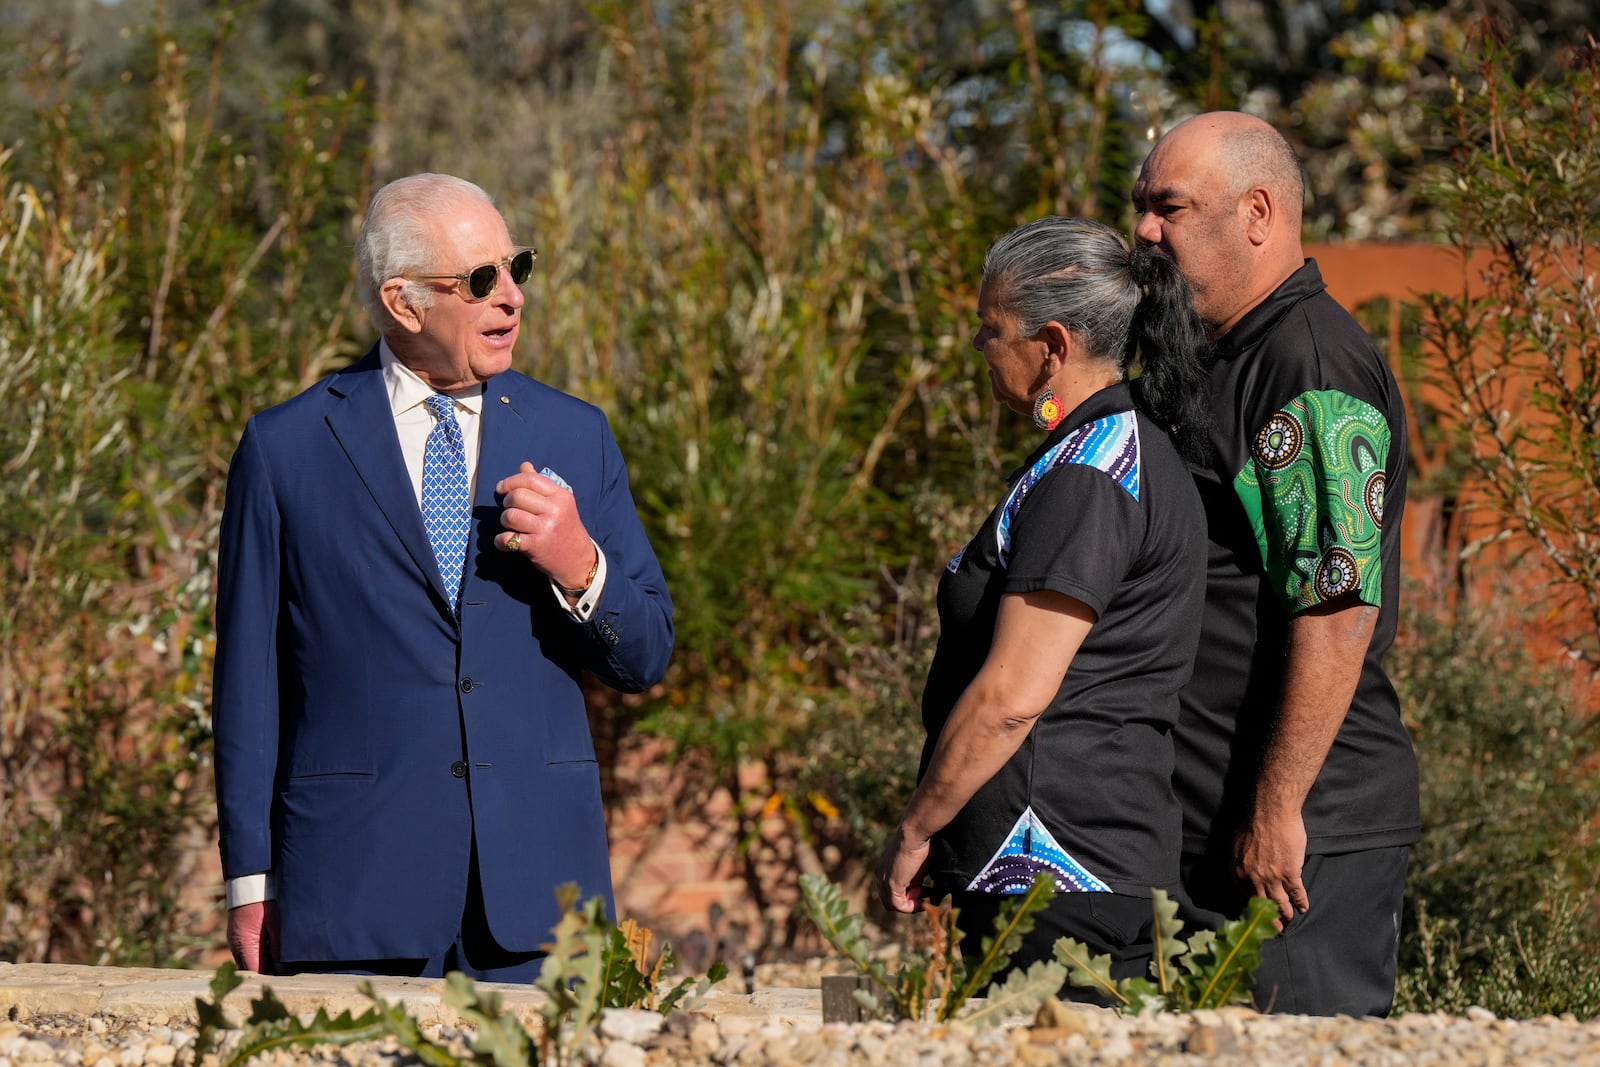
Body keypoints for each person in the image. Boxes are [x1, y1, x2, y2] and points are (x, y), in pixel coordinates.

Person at [211, 173, 674, 981]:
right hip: (353, 897)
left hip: (541, 911)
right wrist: (251, 881)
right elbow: (248, 683)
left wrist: (579, 566)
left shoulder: (578, 433)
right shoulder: (284, 449)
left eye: (516, 269)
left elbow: (647, 654)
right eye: (481, 280)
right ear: (403, 303)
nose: (512, 300)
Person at [874, 216, 1213, 1000]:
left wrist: (918, 825)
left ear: (1053, 344)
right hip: (1083, 869)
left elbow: (1010, 698)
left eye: (990, 330)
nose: (979, 348)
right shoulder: (1113, 451)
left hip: (1055, 878)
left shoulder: (1092, 473)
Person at [1131, 111, 1419, 1016]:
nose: (1143, 231)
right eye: (1140, 206)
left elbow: (1337, 600)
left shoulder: (1309, 363)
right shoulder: (1216, 357)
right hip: (1216, 823)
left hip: (1300, 839)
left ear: (1257, 212)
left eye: (1168, 207)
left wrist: (1278, 807)